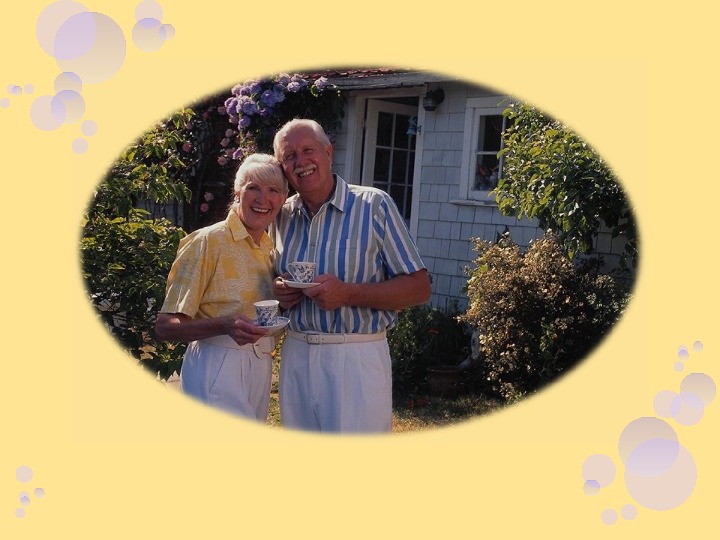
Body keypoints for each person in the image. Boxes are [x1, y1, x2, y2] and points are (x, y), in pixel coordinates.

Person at [271, 119, 431, 433]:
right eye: (289, 156)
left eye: (308, 150)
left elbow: (419, 287)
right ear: (282, 168)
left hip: (356, 356)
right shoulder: (281, 216)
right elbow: (269, 284)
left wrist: (348, 293)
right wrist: (279, 293)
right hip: (296, 355)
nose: (301, 161)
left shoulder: (374, 205)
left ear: (328, 152)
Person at [154, 153, 288, 421]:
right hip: (218, 361)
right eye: (253, 188)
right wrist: (224, 325)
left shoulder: (269, 247)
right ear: (237, 193)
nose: (263, 199)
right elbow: (165, 326)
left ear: (283, 199)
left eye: (273, 190)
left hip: (261, 362)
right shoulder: (208, 241)